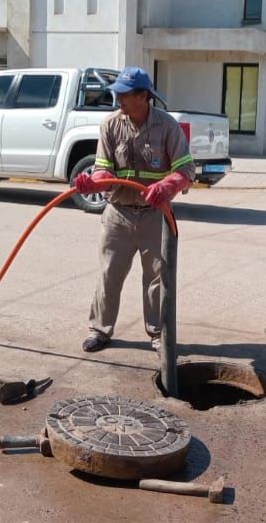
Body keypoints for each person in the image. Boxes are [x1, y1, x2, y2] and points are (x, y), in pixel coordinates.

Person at [72, 67, 195, 353]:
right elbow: (104, 168)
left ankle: (158, 334)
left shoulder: (167, 126)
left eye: (125, 94)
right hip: (118, 214)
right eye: (117, 93)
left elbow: (186, 168)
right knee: (109, 274)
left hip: (156, 215)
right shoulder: (110, 125)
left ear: (143, 96)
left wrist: (167, 186)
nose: (118, 99)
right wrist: (92, 183)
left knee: (156, 279)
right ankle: (100, 330)